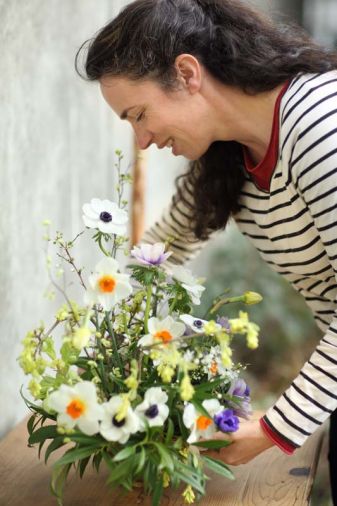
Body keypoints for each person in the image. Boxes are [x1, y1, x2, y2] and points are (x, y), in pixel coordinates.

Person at [76, 0, 337, 501]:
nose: (144, 139)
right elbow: (160, 250)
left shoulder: (318, 125)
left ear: (188, 73)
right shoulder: (229, 155)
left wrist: (273, 427)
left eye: (139, 114)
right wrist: (97, 337)